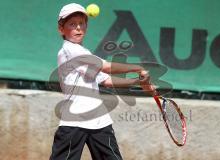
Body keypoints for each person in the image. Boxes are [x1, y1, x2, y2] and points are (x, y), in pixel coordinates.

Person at [50, 3, 153, 160]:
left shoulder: (83, 53)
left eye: (81, 23)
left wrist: (137, 82)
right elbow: (105, 67)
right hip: (74, 122)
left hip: (99, 121)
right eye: (72, 24)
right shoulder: (69, 50)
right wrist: (137, 68)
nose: (78, 28)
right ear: (61, 29)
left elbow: (107, 80)